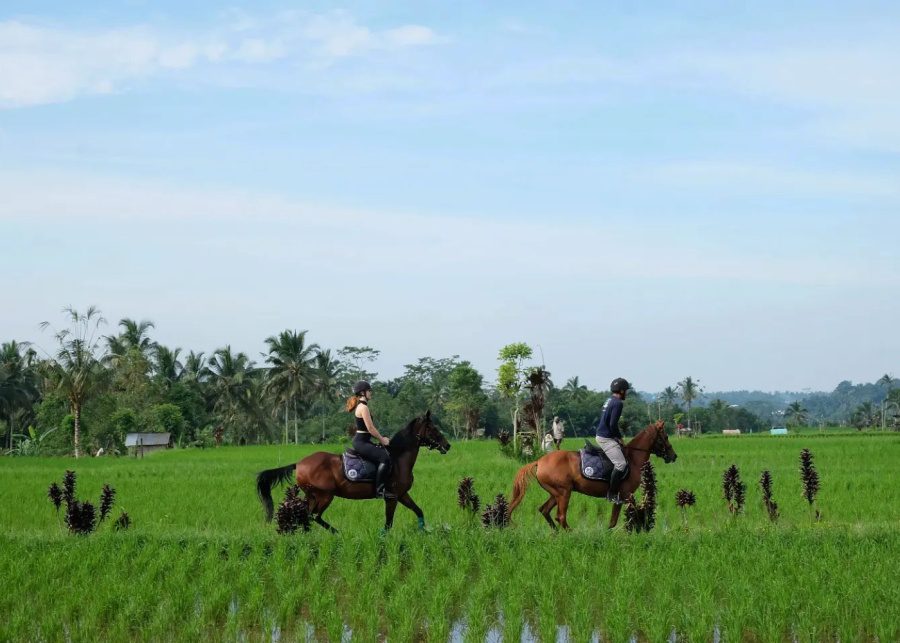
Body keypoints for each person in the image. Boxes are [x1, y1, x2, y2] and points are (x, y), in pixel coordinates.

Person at [346, 380, 395, 499]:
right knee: (385, 458)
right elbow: (371, 428)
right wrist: (382, 440)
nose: (370, 393)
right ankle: (380, 491)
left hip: (363, 441)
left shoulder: (362, 406)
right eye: (369, 391)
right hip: (361, 442)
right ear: (363, 393)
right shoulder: (363, 408)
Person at [595, 377, 630, 504]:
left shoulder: (609, 400)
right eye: (626, 390)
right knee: (621, 464)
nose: (626, 393)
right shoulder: (618, 403)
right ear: (621, 391)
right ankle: (612, 493)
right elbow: (612, 424)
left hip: (602, 434)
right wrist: (619, 439)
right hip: (605, 438)